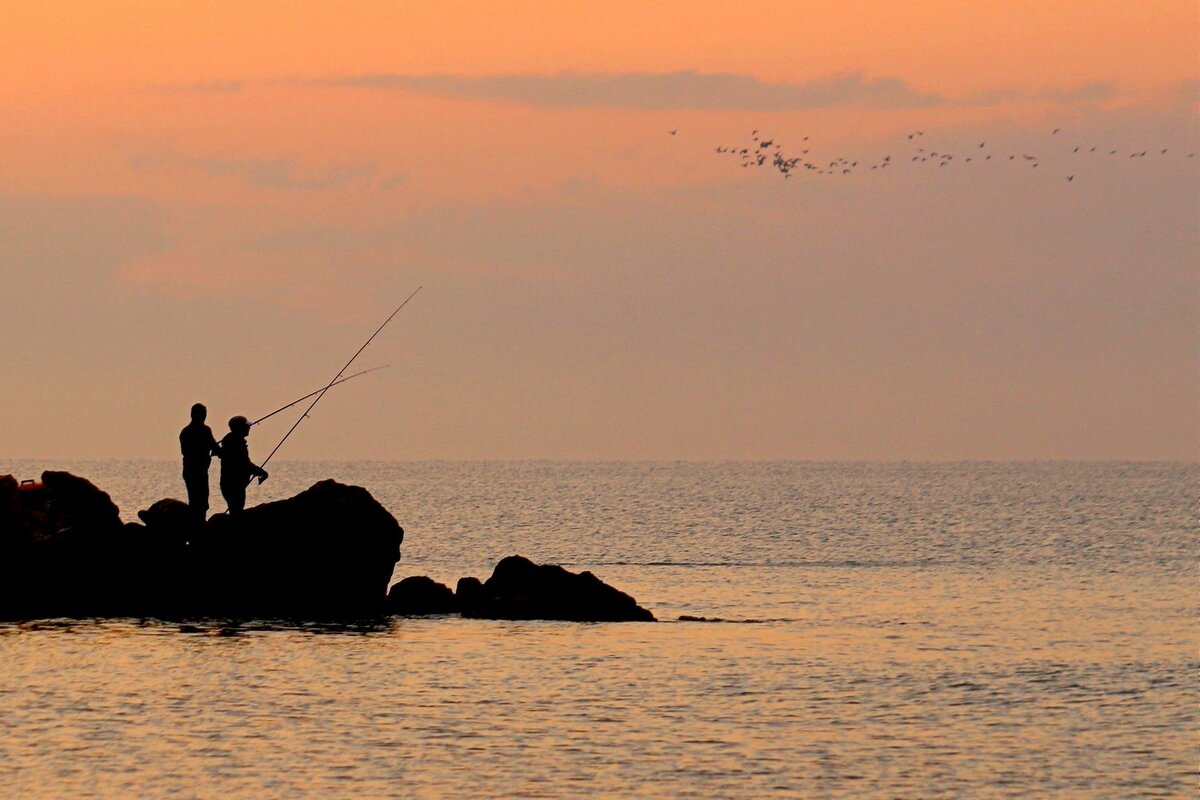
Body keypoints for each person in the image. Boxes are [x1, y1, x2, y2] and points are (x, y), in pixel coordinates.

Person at [179, 403, 221, 521]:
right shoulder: (204, 430)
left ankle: (197, 524)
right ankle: (199, 526)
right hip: (197, 471)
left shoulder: (185, 431)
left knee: (196, 500)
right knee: (200, 501)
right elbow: (215, 448)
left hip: (190, 471)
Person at [219, 415, 268, 514]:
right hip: (234, 485)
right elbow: (244, 464)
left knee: (235, 510)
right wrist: (261, 472)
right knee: (236, 512)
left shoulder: (230, 441)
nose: (249, 428)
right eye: (246, 426)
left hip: (230, 483)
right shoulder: (237, 443)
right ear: (240, 428)